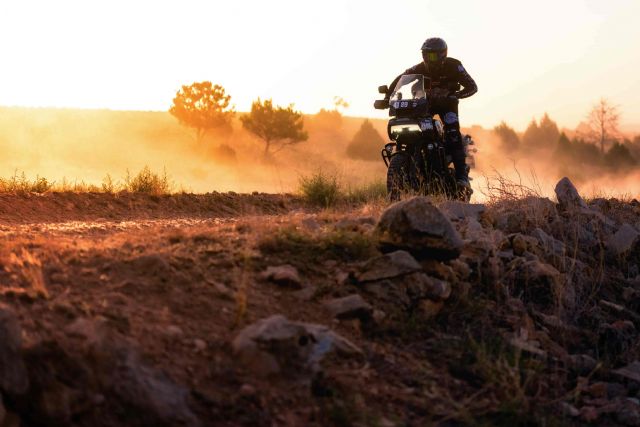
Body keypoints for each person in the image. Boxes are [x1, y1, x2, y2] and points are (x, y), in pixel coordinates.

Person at [386, 37, 477, 188]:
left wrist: (456, 95)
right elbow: (401, 78)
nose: (427, 58)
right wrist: (387, 96)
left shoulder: (454, 66)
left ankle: (462, 177)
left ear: (442, 54)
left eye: (432, 55)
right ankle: (418, 162)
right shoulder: (419, 68)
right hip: (425, 105)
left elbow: (472, 87)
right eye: (425, 54)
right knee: (416, 130)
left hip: (448, 104)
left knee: (453, 134)